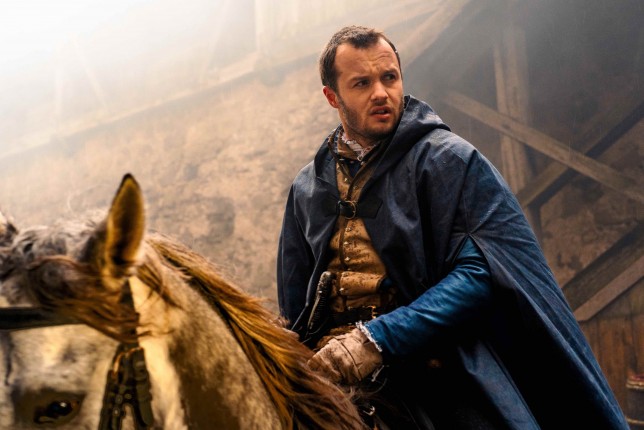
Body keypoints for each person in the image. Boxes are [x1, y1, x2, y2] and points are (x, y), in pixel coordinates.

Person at [277, 25, 628, 429]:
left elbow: (480, 275)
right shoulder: (308, 187)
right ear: (332, 97)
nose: (381, 93)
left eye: (389, 77)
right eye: (362, 83)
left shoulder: (448, 160)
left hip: (428, 364)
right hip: (329, 373)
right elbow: (294, 304)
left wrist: (376, 340)